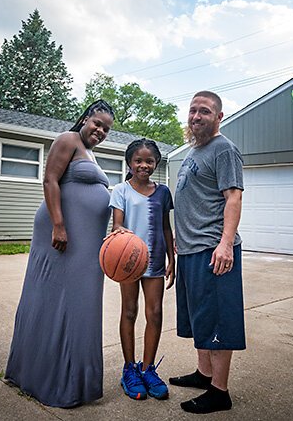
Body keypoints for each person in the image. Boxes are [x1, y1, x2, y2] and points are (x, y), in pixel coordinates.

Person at [5, 100, 115, 408]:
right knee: (52, 300)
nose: (101, 130)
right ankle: (46, 378)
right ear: (84, 118)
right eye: (97, 123)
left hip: (86, 242)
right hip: (61, 235)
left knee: (80, 304)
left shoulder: (90, 152)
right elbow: (50, 179)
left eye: (106, 128)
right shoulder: (68, 139)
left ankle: (71, 379)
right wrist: (59, 225)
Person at [169, 90, 245, 414]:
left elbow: (233, 197)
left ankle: (219, 391)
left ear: (219, 117)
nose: (196, 116)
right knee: (198, 320)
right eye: (192, 111)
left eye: (204, 111)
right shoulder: (194, 150)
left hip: (212, 249)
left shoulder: (224, 149)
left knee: (216, 322)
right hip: (189, 249)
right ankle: (204, 374)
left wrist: (225, 243)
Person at [108, 138, 175, 401]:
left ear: (156, 163)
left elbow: (166, 227)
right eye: (138, 160)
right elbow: (117, 226)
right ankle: (129, 369)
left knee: (155, 313)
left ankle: (148, 370)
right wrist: (121, 238)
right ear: (130, 163)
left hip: (156, 260)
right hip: (128, 262)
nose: (143, 165)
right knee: (129, 311)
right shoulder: (121, 191)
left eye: (149, 161)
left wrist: (172, 259)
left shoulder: (163, 192)